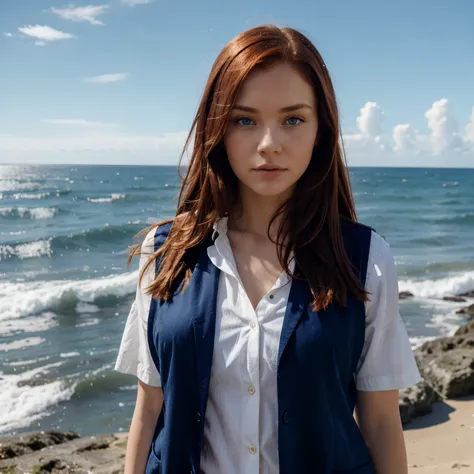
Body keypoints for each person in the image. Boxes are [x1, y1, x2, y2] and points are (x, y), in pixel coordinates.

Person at [114, 24, 421, 474]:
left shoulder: (365, 259)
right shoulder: (167, 254)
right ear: (217, 128)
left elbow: (379, 422)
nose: (268, 145)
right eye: (245, 119)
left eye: (293, 119)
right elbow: (149, 408)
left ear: (321, 130)